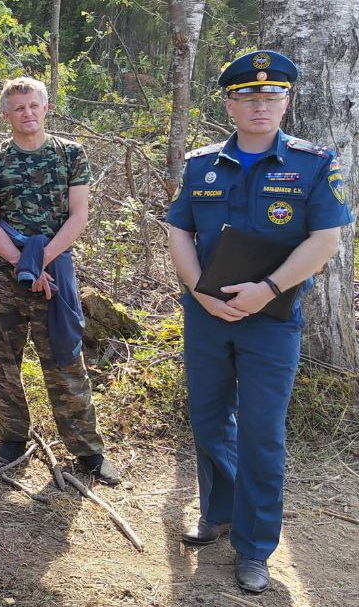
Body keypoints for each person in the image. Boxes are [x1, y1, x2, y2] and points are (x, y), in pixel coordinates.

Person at [167, 50, 352, 594]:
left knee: (262, 433)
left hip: (272, 318)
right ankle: (219, 513)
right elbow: (179, 230)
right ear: (229, 104)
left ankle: (253, 546)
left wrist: (267, 289)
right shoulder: (201, 163)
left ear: (286, 101)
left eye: (271, 96)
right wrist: (202, 297)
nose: (260, 105)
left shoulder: (314, 162)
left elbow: (326, 241)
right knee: (206, 420)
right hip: (207, 318)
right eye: (247, 96)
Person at [0, 76, 120, 486]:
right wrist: (22, 264)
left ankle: (88, 451)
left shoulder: (71, 154)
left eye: (33, 105)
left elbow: (78, 215)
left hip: (54, 273)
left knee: (65, 359)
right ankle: (11, 439)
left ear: (46, 107)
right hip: (5, 275)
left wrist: (42, 264)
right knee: (7, 363)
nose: (27, 113)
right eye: (18, 107)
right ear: (6, 114)